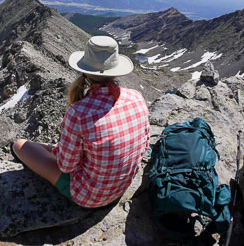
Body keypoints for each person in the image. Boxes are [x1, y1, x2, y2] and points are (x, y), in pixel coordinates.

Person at [13, 35, 150, 208]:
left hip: (90, 196)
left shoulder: (79, 112)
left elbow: (66, 166)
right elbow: (144, 145)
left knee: (20, 145)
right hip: (121, 187)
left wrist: (61, 150)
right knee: (51, 147)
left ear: (85, 70)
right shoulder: (136, 97)